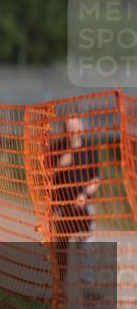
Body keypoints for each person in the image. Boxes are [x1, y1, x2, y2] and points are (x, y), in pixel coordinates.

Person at [46, 116, 102, 281]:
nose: (72, 131)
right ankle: (60, 290)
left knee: (86, 248)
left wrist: (84, 195)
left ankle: (88, 288)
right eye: (68, 127)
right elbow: (46, 178)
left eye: (75, 127)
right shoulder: (56, 149)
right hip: (62, 209)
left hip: (82, 209)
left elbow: (96, 178)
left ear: (81, 128)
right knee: (61, 253)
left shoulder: (89, 150)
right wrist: (60, 165)